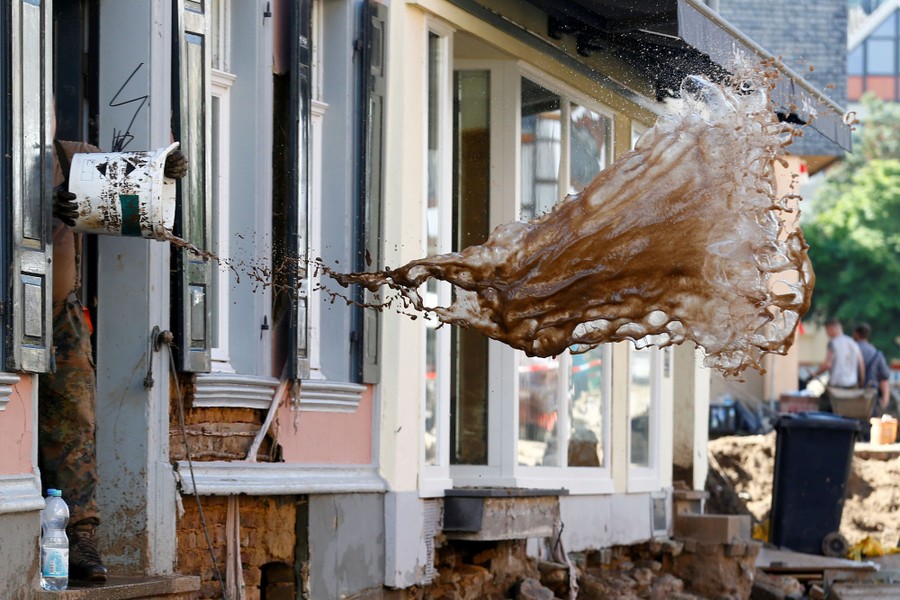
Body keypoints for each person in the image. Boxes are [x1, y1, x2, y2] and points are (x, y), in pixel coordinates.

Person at [42, 128, 187, 582]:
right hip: (11, 305)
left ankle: (79, 538)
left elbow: (134, 177)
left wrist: (165, 171)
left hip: (57, 314)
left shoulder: (66, 155)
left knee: (76, 416)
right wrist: (32, 208)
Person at [812, 318, 865, 411]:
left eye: (827, 331)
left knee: (824, 410)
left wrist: (813, 375)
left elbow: (828, 364)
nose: (827, 334)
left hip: (837, 387)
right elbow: (861, 365)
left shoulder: (833, 343)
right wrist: (861, 384)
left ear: (832, 328)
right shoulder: (853, 343)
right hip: (852, 386)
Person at [853, 322, 891, 415]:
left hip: (850, 394)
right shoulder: (877, 354)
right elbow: (884, 379)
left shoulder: (851, 351)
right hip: (870, 396)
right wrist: (885, 401)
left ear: (856, 334)